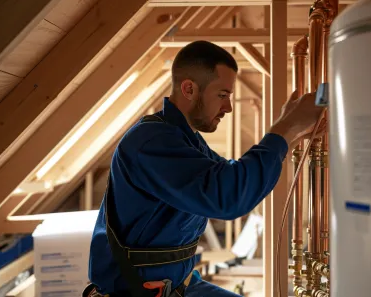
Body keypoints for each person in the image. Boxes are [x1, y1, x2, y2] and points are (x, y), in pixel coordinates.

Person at [86, 41, 324, 297]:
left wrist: (291, 135)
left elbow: (229, 176)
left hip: (178, 285)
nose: (228, 107)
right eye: (222, 95)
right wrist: (283, 130)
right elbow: (228, 198)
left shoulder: (185, 139)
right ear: (189, 89)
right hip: (133, 292)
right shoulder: (152, 142)